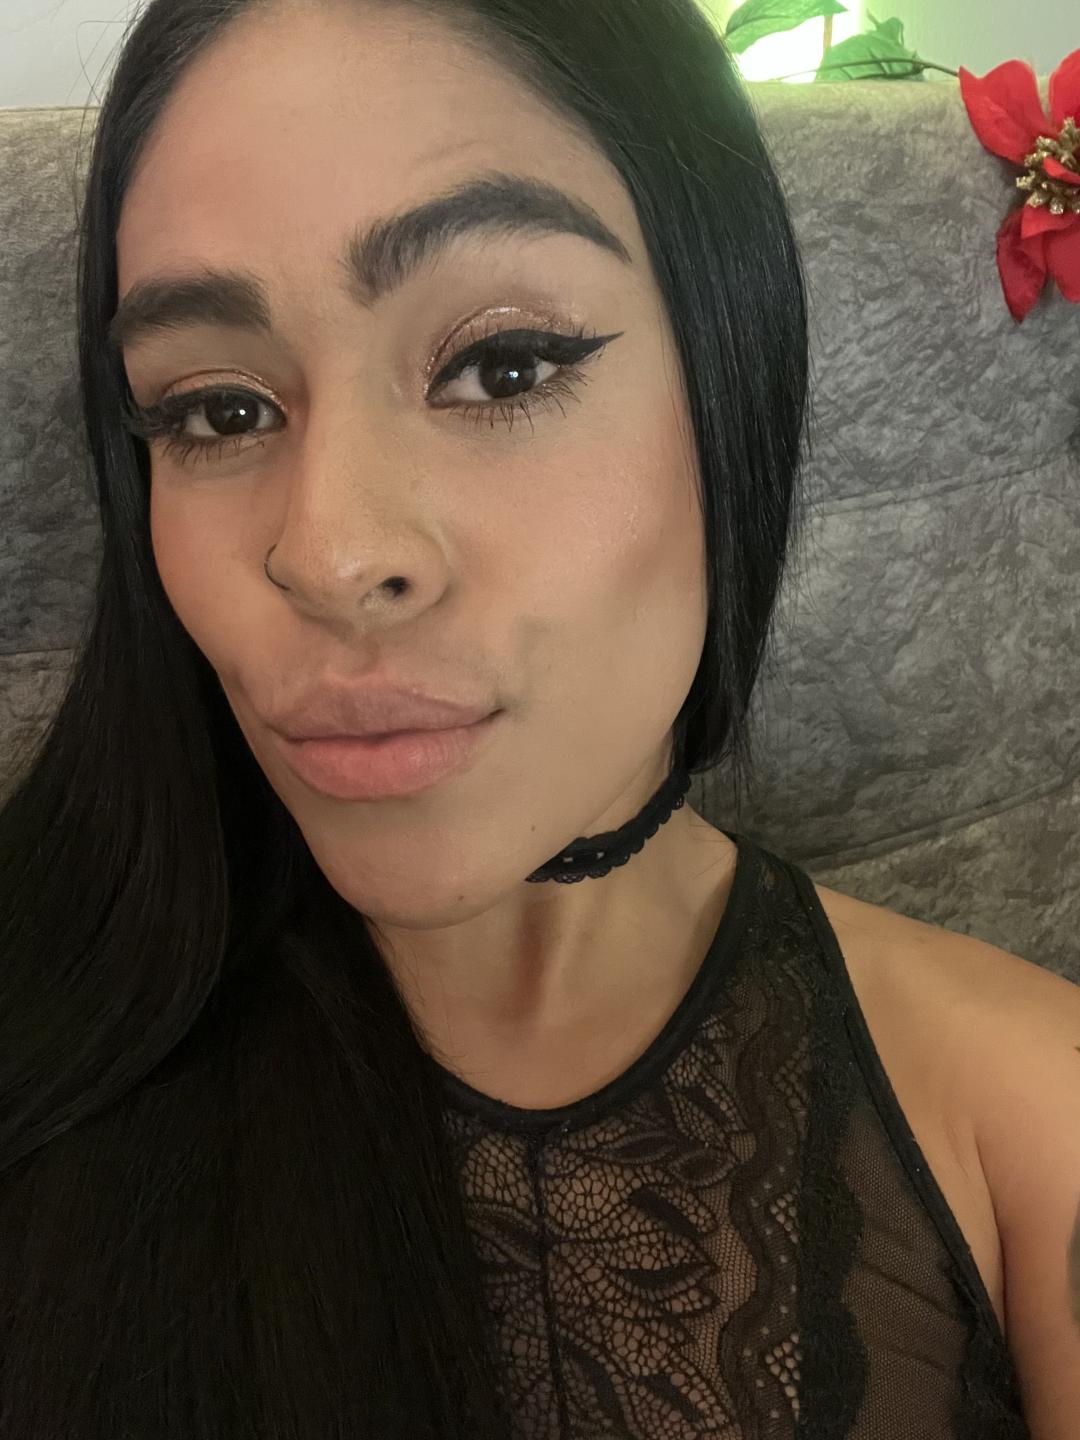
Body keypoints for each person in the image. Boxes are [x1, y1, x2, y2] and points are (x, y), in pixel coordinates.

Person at [0, 0, 1064, 1435]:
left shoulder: (1030, 1119)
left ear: (732, 385)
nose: (330, 554)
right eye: (219, 412)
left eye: (504, 366)